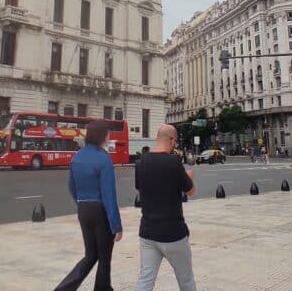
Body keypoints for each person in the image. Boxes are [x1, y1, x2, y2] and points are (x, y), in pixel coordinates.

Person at [56, 121, 122, 291]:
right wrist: (116, 225)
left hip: (83, 210)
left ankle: (64, 288)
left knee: (90, 255)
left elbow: (72, 186)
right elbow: (109, 195)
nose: (110, 136)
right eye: (108, 133)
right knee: (104, 256)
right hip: (100, 211)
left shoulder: (77, 156)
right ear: (101, 135)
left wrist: (82, 202)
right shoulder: (104, 158)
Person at [135, 124, 197, 291]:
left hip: (147, 232)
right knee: (186, 280)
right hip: (173, 233)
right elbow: (190, 191)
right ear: (172, 141)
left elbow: (141, 188)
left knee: (145, 279)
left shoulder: (140, 162)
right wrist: (189, 176)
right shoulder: (174, 162)